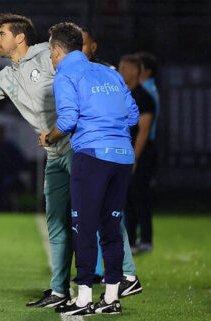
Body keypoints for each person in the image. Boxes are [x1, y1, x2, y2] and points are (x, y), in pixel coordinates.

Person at [0, 13, 141, 308]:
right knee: (56, 222)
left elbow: (88, 69)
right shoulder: (6, 77)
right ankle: (59, 291)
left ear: (20, 38)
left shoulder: (48, 53)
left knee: (103, 213)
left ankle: (127, 276)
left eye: (1, 33)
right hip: (53, 153)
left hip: (78, 147)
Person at [40, 22, 139, 315]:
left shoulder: (66, 74)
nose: (50, 58)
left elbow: (68, 120)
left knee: (84, 225)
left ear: (58, 50)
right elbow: (132, 114)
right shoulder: (110, 72)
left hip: (92, 155)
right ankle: (110, 298)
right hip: (122, 156)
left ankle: (82, 297)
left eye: (50, 51)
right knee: (112, 225)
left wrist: (48, 137)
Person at [82, 28, 139, 286]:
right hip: (97, 151)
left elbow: (132, 114)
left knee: (108, 216)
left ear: (93, 47)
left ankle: (124, 272)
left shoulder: (105, 72)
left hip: (99, 152)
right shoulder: (86, 73)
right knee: (96, 215)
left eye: (83, 43)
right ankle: (97, 271)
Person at [119, 54, 157, 253]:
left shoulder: (143, 97)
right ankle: (132, 241)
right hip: (124, 153)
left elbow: (144, 131)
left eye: (124, 68)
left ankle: (146, 241)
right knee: (126, 197)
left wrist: (133, 157)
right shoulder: (123, 94)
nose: (120, 71)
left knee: (139, 195)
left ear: (134, 71)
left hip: (140, 154)